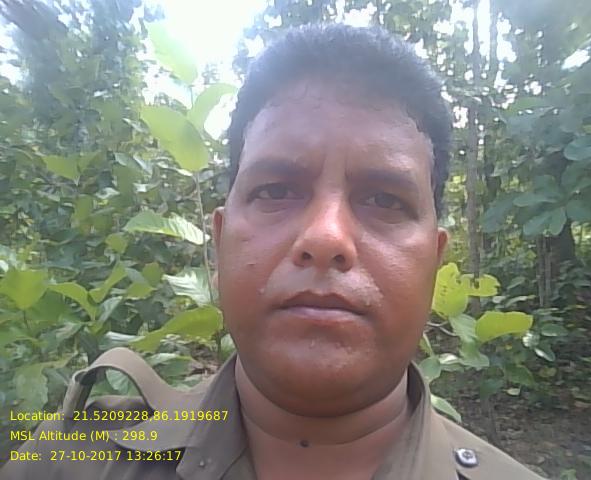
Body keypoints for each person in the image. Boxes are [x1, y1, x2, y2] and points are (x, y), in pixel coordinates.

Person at [1, 23, 545, 480]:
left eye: (384, 200)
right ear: (220, 243)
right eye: (276, 190)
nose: (326, 237)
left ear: (433, 261)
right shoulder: (69, 462)